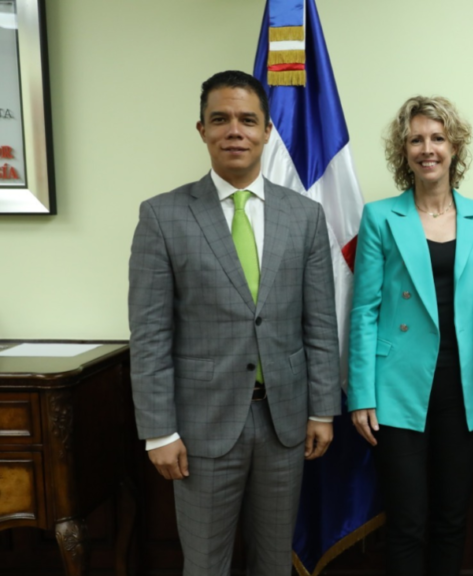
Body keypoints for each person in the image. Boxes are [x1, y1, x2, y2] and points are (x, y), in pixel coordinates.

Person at [128, 70, 340, 576]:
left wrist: (322, 410)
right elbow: (150, 334)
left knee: (274, 562)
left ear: (267, 131)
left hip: (284, 423)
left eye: (248, 120)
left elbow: (319, 324)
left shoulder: (305, 216)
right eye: (220, 119)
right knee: (205, 564)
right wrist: (158, 432)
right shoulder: (162, 216)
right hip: (200, 428)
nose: (235, 131)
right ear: (201, 130)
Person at [347, 95, 473, 576]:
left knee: (452, 520)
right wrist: (361, 393)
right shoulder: (380, 216)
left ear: (455, 147)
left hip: (466, 386)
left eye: (438, 138)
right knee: (407, 521)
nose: (427, 148)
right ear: (404, 150)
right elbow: (364, 310)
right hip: (397, 387)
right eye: (416, 140)